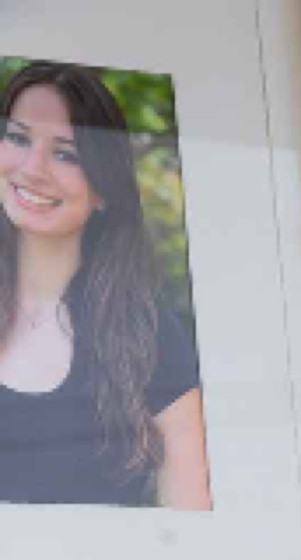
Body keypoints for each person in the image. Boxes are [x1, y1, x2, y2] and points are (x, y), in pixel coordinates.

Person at [0, 60, 210, 509]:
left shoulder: (153, 338)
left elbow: (193, 527)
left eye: (66, 153)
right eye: (18, 138)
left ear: (104, 190)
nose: (33, 168)